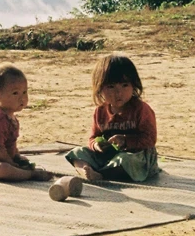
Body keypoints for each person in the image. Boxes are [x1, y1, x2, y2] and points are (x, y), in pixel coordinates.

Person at [65, 53, 160, 182]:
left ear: (134, 85)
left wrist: (126, 141)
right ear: (100, 89)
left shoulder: (141, 109)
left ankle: (102, 175)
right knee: (77, 153)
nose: (118, 93)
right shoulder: (100, 112)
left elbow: (149, 139)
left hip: (137, 159)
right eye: (111, 87)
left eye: (125, 85)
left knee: (124, 160)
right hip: (109, 157)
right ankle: (87, 172)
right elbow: (93, 138)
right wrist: (96, 145)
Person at [0, 63, 53, 181]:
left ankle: (21, 171)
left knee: (22, 161)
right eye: (15, 93)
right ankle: (30, 175)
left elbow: (11, 143)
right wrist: (10, 162)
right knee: (4, 169)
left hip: (3, 158)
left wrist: (17, 157)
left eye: (24, 92)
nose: (22, 98)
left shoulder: (11, 117)